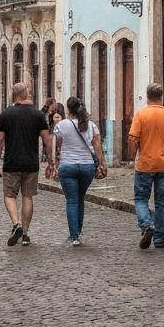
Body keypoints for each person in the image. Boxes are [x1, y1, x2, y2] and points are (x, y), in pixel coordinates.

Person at [0, 83, 54, 247]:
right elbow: (47, 140)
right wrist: (51, 162)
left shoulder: (6, 114)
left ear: (14, 96)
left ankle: (16, 224)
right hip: (31, 163)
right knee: (28, 196)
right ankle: (25, 233)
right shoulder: (37, 115)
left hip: (12, 162)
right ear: (27, 94)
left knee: (10, 195)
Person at [129, 82, 164, 249]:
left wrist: (133, 158)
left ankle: (146, 224)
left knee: (140, 198)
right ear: (162, 96)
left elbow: (133, 139)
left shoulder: (141, 115)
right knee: (161, 202)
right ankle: (159, 239)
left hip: (145, 164)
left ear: (147, 97)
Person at [54, 96, 106, 246]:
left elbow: (57, 144)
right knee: (80, 198)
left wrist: (54, 163)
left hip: (67, 166)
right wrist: (103, 164)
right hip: (87, 167)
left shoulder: (62, 124)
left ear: (68, 109)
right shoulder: (91, 126)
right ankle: (78, 230)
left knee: (71, 200)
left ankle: (74, 236)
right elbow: (97, 147)